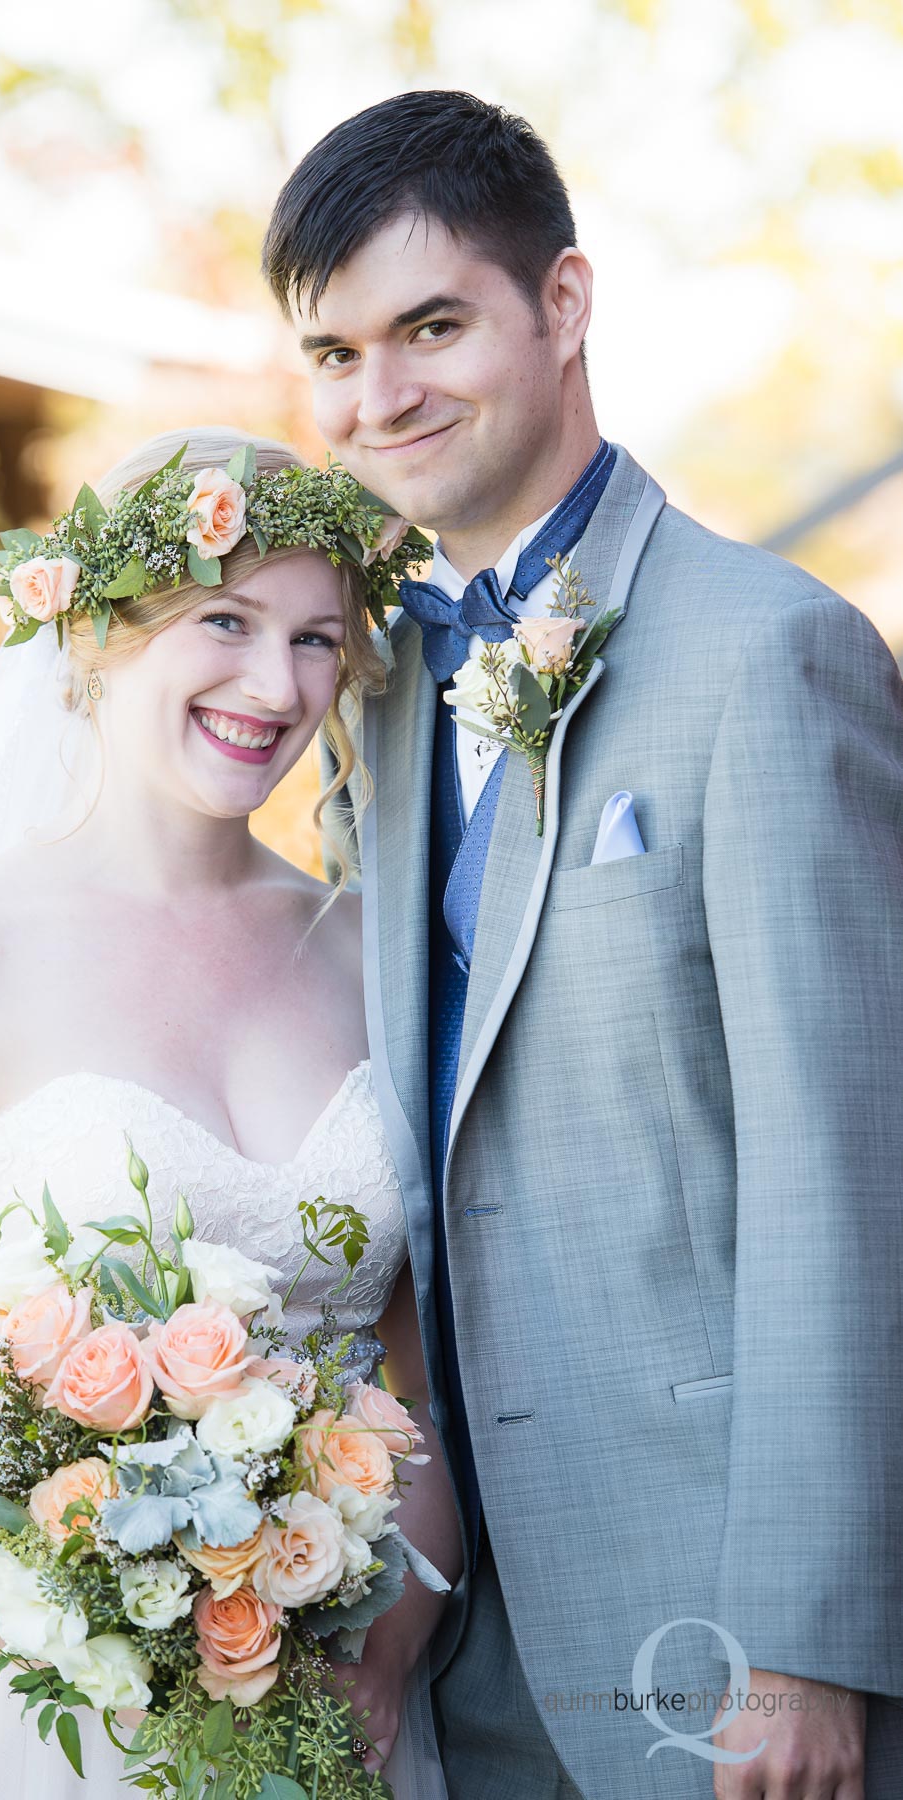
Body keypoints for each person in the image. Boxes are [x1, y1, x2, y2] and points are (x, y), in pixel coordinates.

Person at [263, 89, 903, 1800]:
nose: (375, 394)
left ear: (560, 305)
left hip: (716, 1632)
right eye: (332, 351)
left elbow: (844, 1176)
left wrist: (808, 1647)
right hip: (459, 1638)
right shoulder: (377, 691)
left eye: (429, 326)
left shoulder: (766, 656)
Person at [0, 429, 461, 1797]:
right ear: (97, 632)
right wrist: (100, 1648)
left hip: (330, 1706)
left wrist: (385, 1659)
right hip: (25, 1716)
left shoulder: (374, 954)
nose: (274, 682)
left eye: (312, 639)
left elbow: (424, 1386)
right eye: (224, 621)